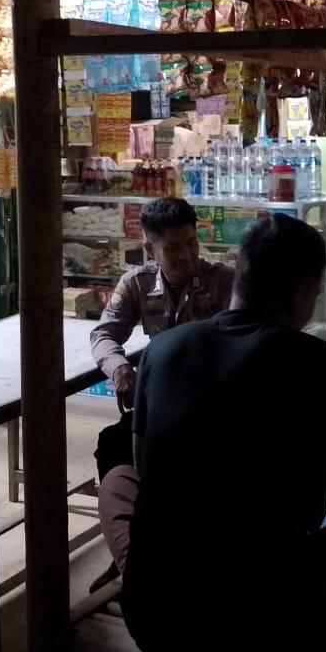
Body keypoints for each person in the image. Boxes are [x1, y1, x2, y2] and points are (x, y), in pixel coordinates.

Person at [98, 214, 326, 652]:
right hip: (263, 627)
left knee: (119, 480)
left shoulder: (162, 352)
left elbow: (147, 474)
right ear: (303, 293)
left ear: (238, 275)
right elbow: (310, 512)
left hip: (156, 622)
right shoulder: (312, 362)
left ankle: (148, 569)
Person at [89, 196, 233, 483]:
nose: (186, 255)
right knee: (112, 446)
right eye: (173, 248)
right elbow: (104, 334)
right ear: (150, 250)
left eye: (191, 243)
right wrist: (120, 368)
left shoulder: (224, 281)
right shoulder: (137, 283)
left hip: (213, 406)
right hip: (161, 402)